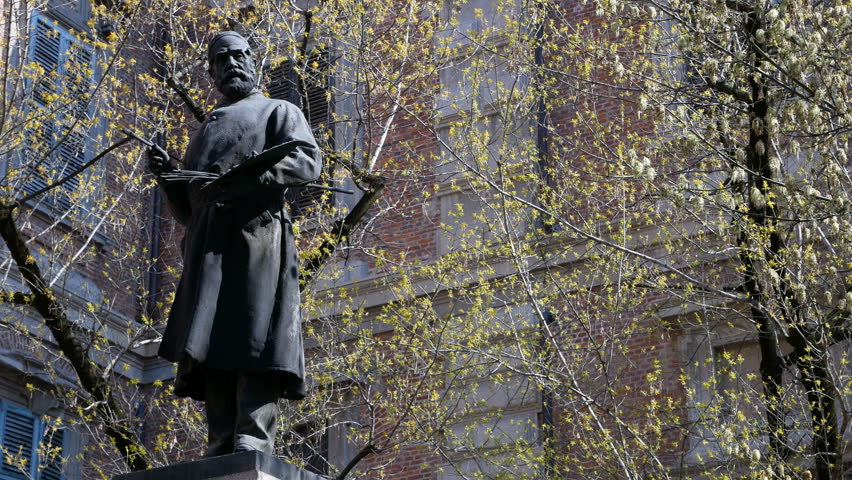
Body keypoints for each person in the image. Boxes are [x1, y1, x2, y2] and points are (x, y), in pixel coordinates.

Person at [146, 31, 322, 457]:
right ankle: (221, 435)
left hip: (258, 239)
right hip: (209, 246)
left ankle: (253, 433)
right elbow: (190, 210)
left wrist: (255, 176)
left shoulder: (279, 110)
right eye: (221, 59)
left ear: (253, 61)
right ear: (211, 71)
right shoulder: (205, 130)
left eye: (239, 56)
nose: (232, 64)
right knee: (211, 340)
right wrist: (169, 177)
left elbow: (307, 161)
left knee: (255, 333)